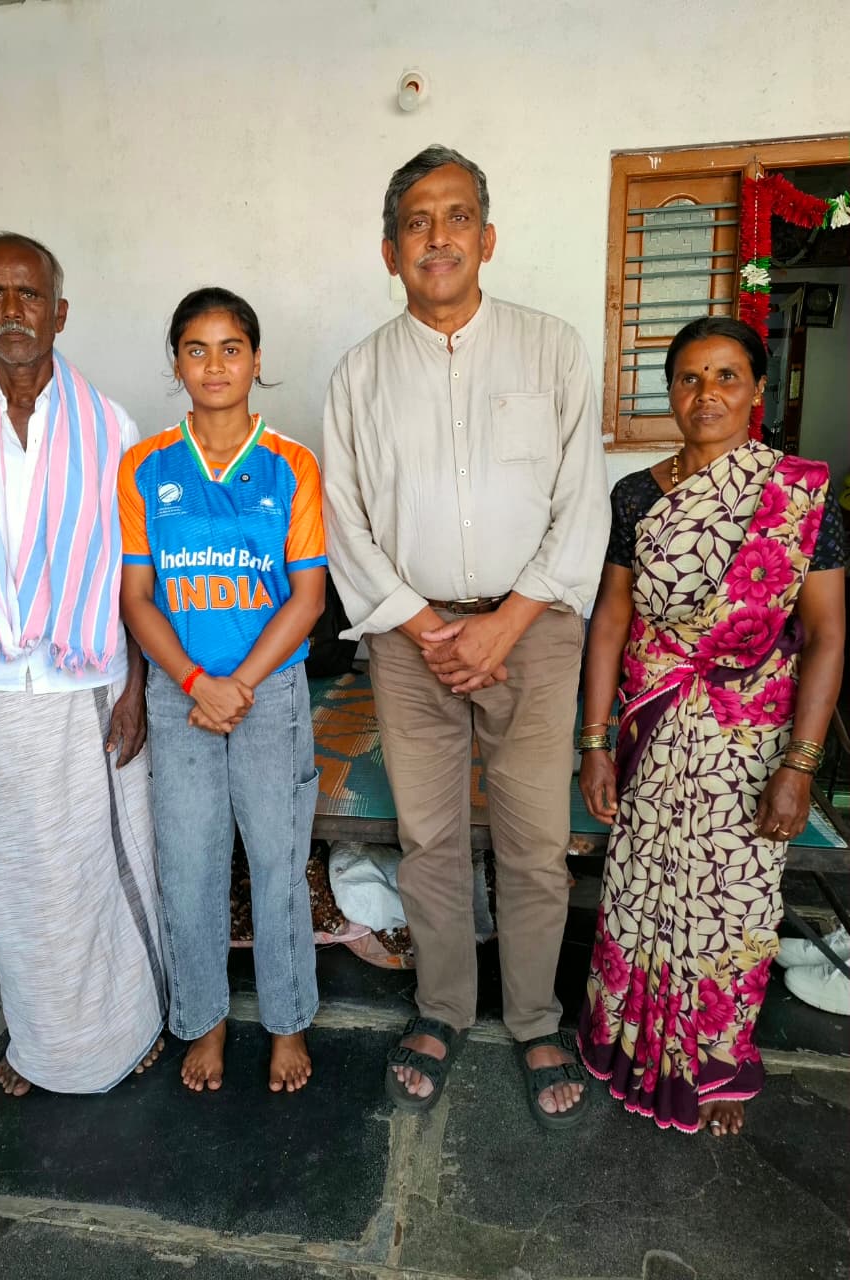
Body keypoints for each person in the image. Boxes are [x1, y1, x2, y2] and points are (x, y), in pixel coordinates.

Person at [322, 144, 609, 1127]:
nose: (435, 235)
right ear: (389, 249)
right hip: (409, 638)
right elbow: (343, 518)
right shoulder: (358, 373)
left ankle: (532, 1015)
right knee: (430, 837)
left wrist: (505, 620)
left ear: (486, 237)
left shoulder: (551, 347)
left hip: (530, 630)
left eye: (454, 217)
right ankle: (442, 1007)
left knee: (533, 842)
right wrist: (424, 622)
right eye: (415, 221)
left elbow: (580, 506)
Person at [0, 232, 166, 1095]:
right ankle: (45, 1043)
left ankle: (127, 1030)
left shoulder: (110, 425)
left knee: (101, 866)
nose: (12, 310)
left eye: (28, 293)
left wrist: (132, 688)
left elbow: (129, 573)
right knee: (16, 886)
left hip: (86, 685)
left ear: (60, 310)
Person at [577, 315, 846, 1136]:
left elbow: (829, 633)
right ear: (670, 393)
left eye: (726, 376)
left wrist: (798, 765)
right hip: (652, 732)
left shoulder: (798, 495)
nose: (706, 394)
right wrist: (593, 743)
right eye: (689, 378)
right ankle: (627, 1046)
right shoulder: (635, 496)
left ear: (757, 390)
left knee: (732, 901)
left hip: (750, 741)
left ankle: (711, 1064)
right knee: (637, 892)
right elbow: (610, 620)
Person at [118, 287, 325, 1094]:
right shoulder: (147, 465)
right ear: (175, 362)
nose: (214, 364)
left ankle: (287, 1023)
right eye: (196, 349)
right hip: (180, 695)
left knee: (277, 861)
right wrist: (197, 682)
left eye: (230, 347)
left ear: (256, 360)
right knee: (191, 862)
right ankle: (203, 1019)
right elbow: (137, 596)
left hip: (268, 694)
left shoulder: (291, 464)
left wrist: (236, 683)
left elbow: (306, 597)